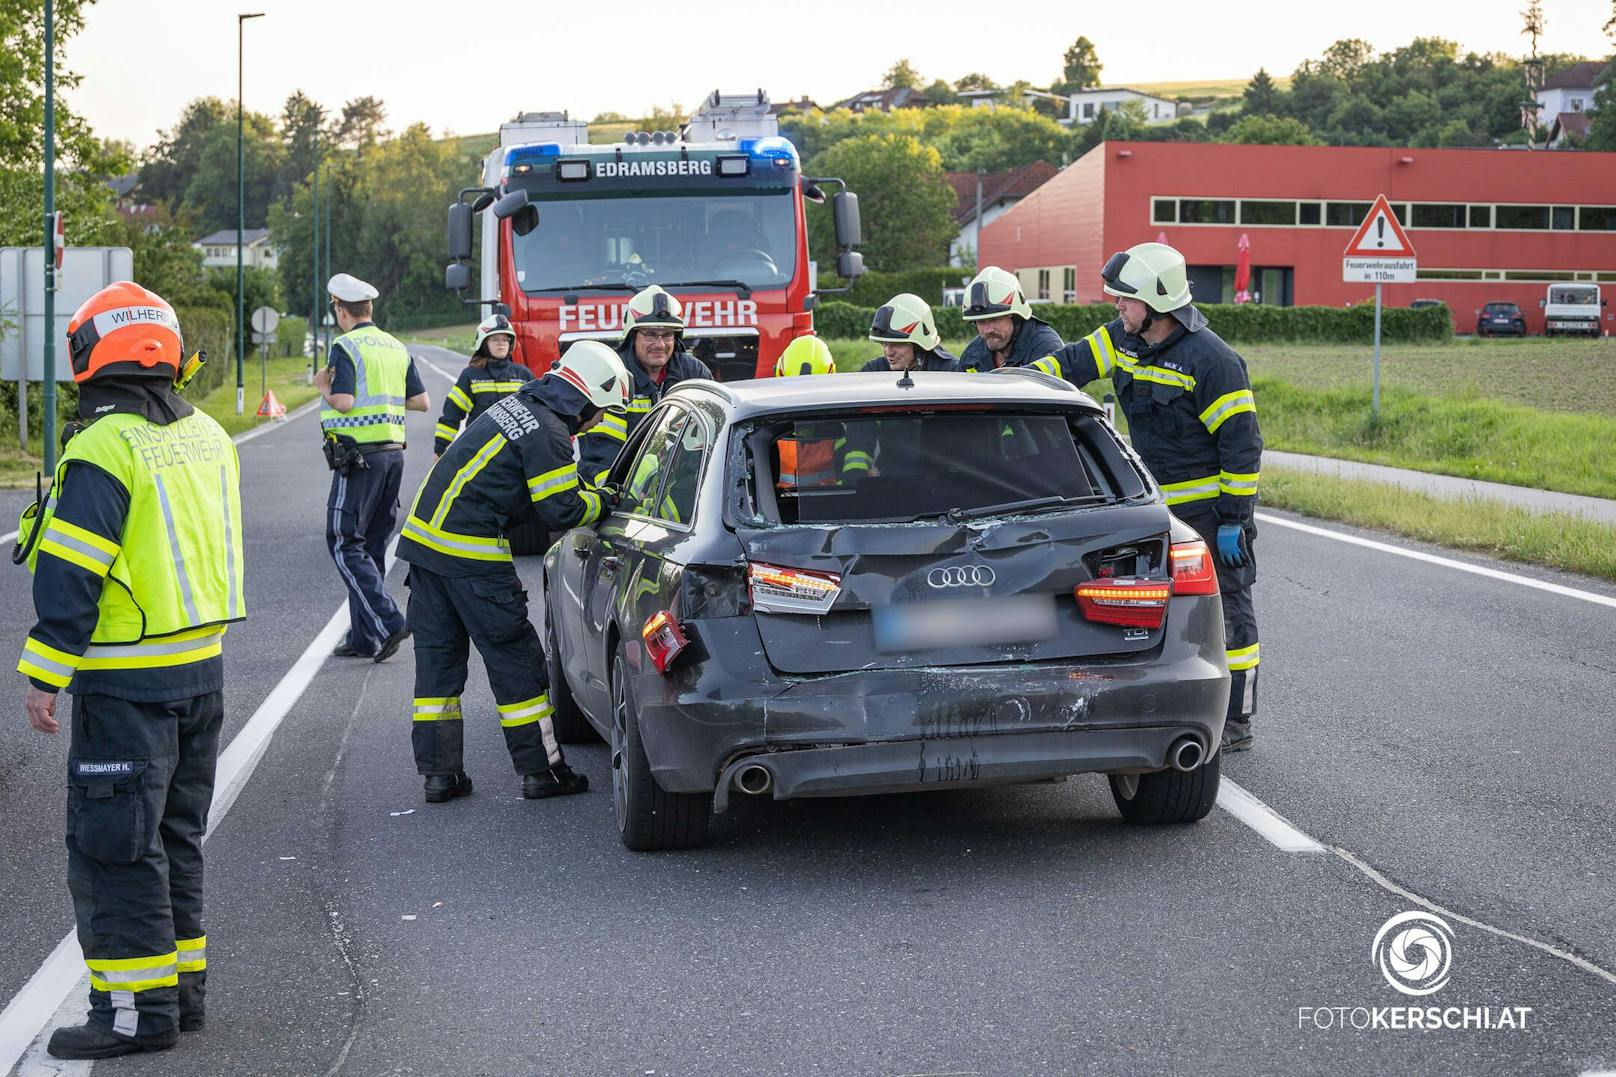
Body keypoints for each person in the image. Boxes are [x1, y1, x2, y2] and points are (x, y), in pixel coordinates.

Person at [17, 282, 246, 1060]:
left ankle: (131, 1015)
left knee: (115, 848)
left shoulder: (102, 447)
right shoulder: (209, 434)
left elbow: (72, 576)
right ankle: (180, 998)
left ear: (92, 355)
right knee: (175, 838)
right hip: (201, 675)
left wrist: (44, 673)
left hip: (125, 685)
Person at [1032, 243, 1263, 752]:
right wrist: (1012, 383)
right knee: (1145, 606)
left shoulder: (1215, 362)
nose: (1117, 307)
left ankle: (1237, 718)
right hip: (1149, 511)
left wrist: (1233, 520)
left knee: (1227, 610)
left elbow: (1242, 447)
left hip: (1209, 515)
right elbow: (1066, 364)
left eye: (1125, 300)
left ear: (1157, 303)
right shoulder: (1122, 339)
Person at [398, 340, 630, 803]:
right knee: (516, 662)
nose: (600, 421)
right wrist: (606, 500)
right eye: (601, 410)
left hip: (426, 548)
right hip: (472, 554)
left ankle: (440, 777)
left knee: (438, 669)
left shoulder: (518, 405)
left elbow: (530, 484)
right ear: (585, 398)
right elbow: (560, 508)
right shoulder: (548, 431)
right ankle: (542, 772)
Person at [314, 273, 430, 661]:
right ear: (370, 308)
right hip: (393, 455)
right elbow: (421, 402)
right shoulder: (395, 346)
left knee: (344, 540)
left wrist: (322, 387)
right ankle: (365, 638)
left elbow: (343, 402)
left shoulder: (345, 346)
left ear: (341, 310)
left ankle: (388, 620)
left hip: (359, 458)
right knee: (373, 546)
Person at [577, 285, 712, 486]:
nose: (660, 344)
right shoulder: (610, 378)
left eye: (667, 335)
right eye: (650, 334)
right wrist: (618, 497)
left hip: (678, 485)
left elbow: (711, 440)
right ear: (633, 335)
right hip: (615, 489)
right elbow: (601, 456)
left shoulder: (695, 375)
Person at [433, 312, 534, 456]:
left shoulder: (523, 375)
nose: (501, 343)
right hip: (480, 452)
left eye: (505, 340)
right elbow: (452, 414)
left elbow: (538, 413)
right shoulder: (471, 375)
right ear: (483, 343)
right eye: (495, 339)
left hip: (517, 451)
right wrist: (440, 449)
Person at [771, 335, 856, 488]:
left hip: (829, 506)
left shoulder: (842, 429)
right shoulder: (766, 427)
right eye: (796, 391)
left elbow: (856, 479)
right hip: (775, 508)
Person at [956, 266, 1064, 372]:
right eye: (981, 322)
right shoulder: (972, 356)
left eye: (995, 319)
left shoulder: (1045, 349)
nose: (988, 330)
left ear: (1016, 317)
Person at [859, 293, 959, 372]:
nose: (888, 352)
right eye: (884, 344)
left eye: (897, 344)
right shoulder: (873, 371)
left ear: (919, 346)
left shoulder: (951, 372)